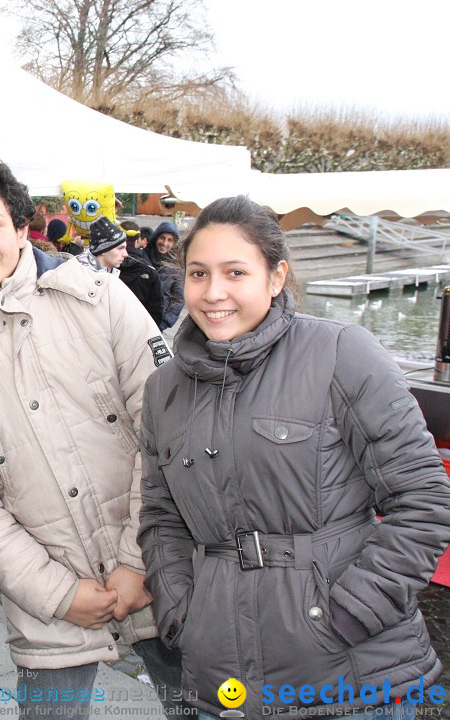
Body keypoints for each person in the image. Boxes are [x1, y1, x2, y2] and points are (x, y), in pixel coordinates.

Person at [138, 195, 450, 719]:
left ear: (276, 277)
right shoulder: (163, 389)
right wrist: (180, 613)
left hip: (348, 678)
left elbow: (421, 497)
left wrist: (353, 611)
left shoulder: (341, 353)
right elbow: (161, 517)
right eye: (198, 274)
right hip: (222, 677)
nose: (213, 293)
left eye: (235, 272)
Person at [0, 158, 187, 718]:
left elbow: (165, 431)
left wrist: (139, 562)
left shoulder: (100, 297)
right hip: (47, 602)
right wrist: (61, 594)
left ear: (21, 228)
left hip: (162, 566)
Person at [112, 221, 164, 326]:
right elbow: (156, 309)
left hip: (108, 328)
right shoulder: (150, 270)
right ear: (137, 240)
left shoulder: (105, 266)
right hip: (138, 328)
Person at [145, 221, 183, 330]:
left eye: (170, 240)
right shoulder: (143, 258)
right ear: (156, 237)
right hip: (136, 317)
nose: (165, 243)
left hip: (158, 323)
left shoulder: (176, 267)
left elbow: (178, 299)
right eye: (162, 238)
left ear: (174, 243)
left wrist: (165, 322)